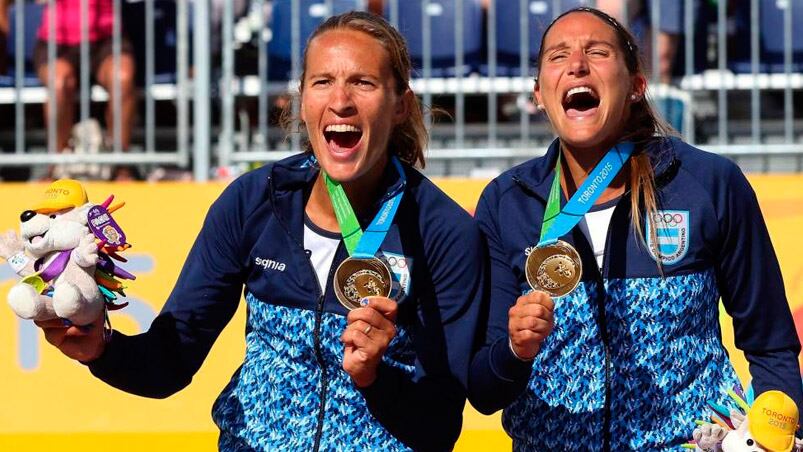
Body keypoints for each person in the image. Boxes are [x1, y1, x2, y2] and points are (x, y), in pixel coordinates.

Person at [34, 11, 485, 451]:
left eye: (363, 83)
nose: (340, 101)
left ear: (401, 104)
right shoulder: (253, 201)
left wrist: (374, 377)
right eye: (322, 82)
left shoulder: (441, 231)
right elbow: (168, 364)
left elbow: (440, 427)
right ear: (302, 100)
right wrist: (100, 347)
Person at [467, 7, 803, 450]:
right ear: (538, 96)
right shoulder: (507, 202)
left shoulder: (709, 183)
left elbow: (772, 344)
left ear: (636, 87)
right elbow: (484, 392)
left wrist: (773, 439)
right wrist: (515, 352)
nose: (577, 65)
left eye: (597, 52)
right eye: (558, 56)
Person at [30, 0, 137, 180]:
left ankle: (121, 166)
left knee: (122, 78)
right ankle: (55, 166)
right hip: (57, 41)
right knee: (59, 83)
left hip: (107, 39)